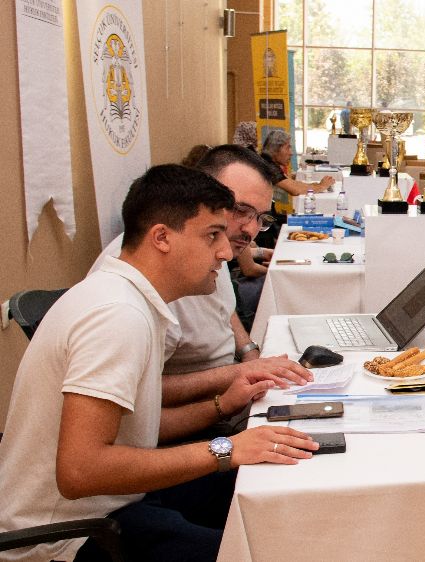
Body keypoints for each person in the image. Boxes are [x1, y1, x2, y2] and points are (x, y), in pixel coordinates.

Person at [0, 164, 319, 562]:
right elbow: (80, 470)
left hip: (111, 504)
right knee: (260, 547)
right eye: (211, 236)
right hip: (65, 537)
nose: (225, 252)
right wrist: (226, 448)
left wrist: (223, 406)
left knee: (270, 486)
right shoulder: (118, 316)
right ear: (162, 237)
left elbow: (135, 430)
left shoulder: (129, 298)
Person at [89, 145, 312, 413]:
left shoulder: (213, 248)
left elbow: (223, 310)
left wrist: (251, 353)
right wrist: (236, 377)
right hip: (199, 411)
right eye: (240, 210)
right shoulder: (146, 277)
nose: (251, 229)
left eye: (260, 218)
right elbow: (137, 397)